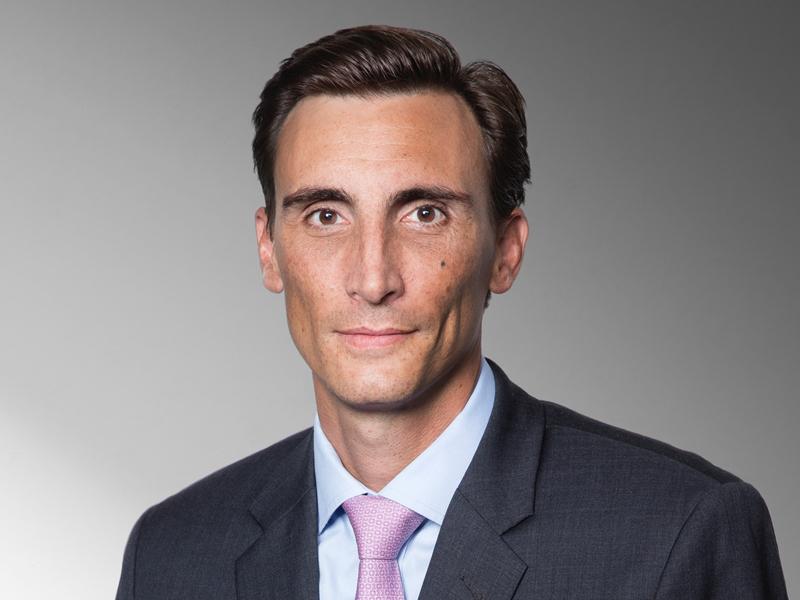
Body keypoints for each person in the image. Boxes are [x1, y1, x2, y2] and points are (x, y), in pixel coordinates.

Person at [115, 25, 788, 600]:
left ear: (505, 251)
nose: (372, 279)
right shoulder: (173, 555)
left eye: (424, 213)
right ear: (270, 250)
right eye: (324, 215)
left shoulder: (679, 533)